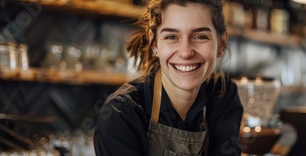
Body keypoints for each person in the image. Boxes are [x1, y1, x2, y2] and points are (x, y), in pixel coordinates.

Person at [93, 0, 244, 155]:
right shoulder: (122, 113)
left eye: (200, 36)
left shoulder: (222, 96)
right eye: (171, 36)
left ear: (222, 43)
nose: (185, 52)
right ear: (154, 43)